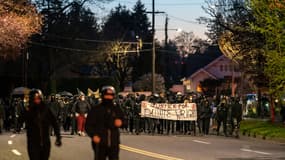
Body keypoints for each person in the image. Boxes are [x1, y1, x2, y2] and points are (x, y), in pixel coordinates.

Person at [85, 86, 125, 160]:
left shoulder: (117, 109)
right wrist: (93, 135)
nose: (109, 97)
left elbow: (124, 121)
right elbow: (88, 126)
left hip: (114, 142)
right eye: (107, 95)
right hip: (99, 142)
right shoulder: (95, 110)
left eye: (111, 95)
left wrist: (121, 122)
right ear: (103, 95)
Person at [20, 89, 62, 160]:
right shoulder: (28, 109)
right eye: (34, 98)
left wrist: (58, 137)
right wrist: (26, 108)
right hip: (33, 142)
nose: (37, 100)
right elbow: (20, 121)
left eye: (38, 98)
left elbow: (54, 122)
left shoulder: (46, 108)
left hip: (45, 142)